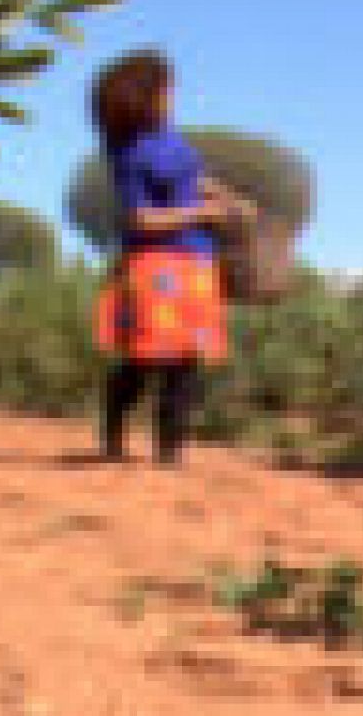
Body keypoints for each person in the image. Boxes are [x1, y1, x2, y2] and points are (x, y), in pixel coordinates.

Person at [89, 50, 252, 466]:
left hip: (194, 262)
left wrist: (229, 199)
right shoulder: (131, 151)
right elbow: (140, 218)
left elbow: (193, 180)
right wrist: (203, 212)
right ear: (149, 93)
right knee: (145, 356)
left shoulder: (171, 138)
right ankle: (112, 436)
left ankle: (170, 451)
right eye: (168, 86)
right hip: (154, 263)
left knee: (186, 360)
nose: (174, 93)